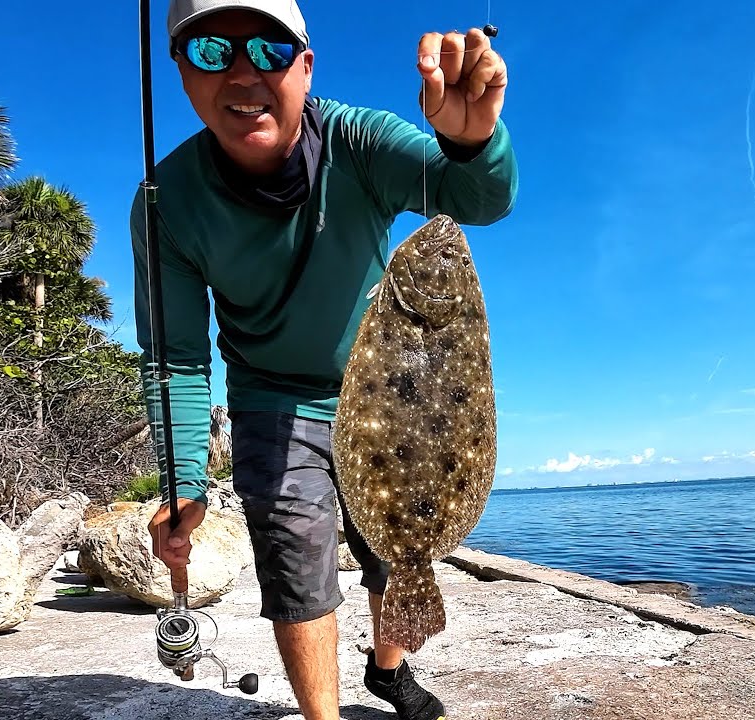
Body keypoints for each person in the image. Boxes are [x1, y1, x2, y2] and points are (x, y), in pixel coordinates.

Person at [130, 1, 517, 718]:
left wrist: (470, 145)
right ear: (183, 73)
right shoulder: (166, 200)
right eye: (213, 53)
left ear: (305, 66)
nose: (243, 72)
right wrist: (182, 485)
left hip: (390, 392)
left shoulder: (359, 138)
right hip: (271, 396)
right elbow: (175, 360)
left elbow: (478, 200)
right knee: (295, 555)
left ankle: (386, 668)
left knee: (393, 551)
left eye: (270, 52)